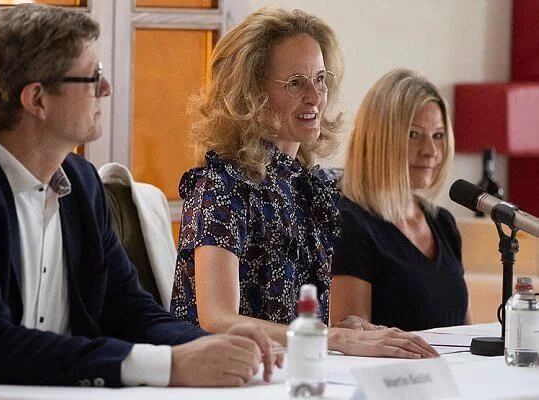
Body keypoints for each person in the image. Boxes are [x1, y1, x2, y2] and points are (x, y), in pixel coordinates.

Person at [0, 4, 282, 387]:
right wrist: (167, 365)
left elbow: (129, 310)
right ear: (37, 99)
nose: (105, 89)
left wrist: (214, 347)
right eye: (92, 77)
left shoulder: (82, 182)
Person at [170, 7, 438, 359]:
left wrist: (346, 327)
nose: (315, 96)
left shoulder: (309, 186)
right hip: (227, 377)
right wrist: (335, 339)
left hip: (293, 374)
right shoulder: (219, 185)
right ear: (251, 94)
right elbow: (216, 319)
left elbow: (299, 320)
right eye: (296, 82)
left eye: (321, 78)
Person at [330, 69, 472, 332]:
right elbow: (351, 344)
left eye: (438, 136)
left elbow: (465, 332)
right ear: (379, 138)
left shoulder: (444, 223)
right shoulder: (350, 225)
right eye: (414, 134)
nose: (430, 151)